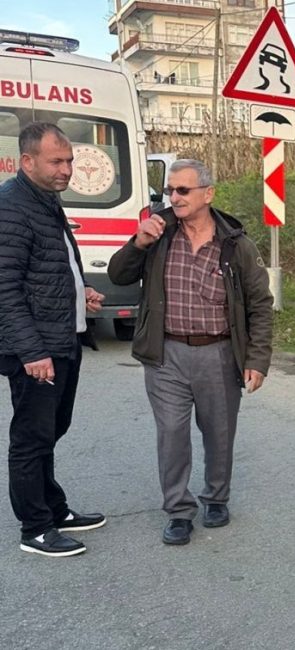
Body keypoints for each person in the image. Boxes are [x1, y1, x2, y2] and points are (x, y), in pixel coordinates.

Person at [107, 159, 273, 546]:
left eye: (183, 190)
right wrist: (138, 243)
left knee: (219, 432)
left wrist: (257, 359)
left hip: (219, 354)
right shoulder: (158, 234)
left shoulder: (236, 245)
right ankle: (179, 511)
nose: (174, 198)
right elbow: (118, 274)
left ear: (208, 194)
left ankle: (216, 498)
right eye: (170, 190)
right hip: (166, 354)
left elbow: (260, 305)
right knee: (171, 434)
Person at [0, 122, 106, 558]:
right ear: (27, 161)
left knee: (51, 430)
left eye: (69, 160)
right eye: (56, 161)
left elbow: (51, 264)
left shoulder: (44, 200)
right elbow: (5, 287)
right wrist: (32, 351)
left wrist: (82, 292)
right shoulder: (11, 206)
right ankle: (36, 528)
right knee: (32, 437)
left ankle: (54, 509)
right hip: (37, 349)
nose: (67, 169)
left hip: (61, 338)